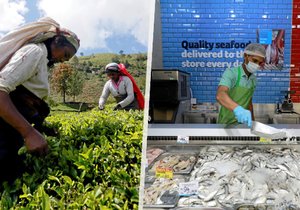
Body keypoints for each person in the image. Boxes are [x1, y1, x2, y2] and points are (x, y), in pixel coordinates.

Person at [0, 17, 79, 183]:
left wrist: (42, 128)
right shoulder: (34, 52)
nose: (62, 61)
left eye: (67, 59)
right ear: (57, 41)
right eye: (65, 55)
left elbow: (26, 99)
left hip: (10, 133)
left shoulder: (41, 58)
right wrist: (28, 132)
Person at [216, 43, 266, 127]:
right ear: (245, 56)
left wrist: (253, 124)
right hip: (225, 125)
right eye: (255, 60)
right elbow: (220, 95)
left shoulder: (254, 80)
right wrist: (237, 109)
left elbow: (249, 103)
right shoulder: (231, 73)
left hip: (242, 125)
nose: (257, 65)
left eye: (260, 63)